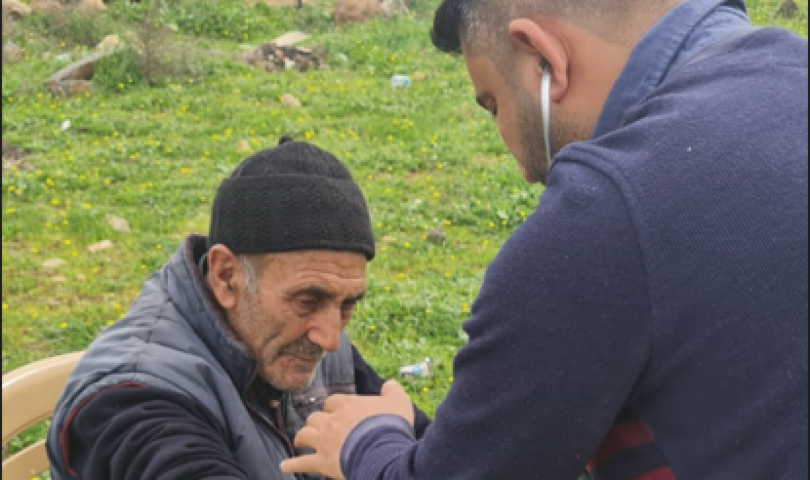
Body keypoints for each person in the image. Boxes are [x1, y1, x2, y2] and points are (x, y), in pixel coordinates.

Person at [280, 0, 809, 479]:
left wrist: (365, 444)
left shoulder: (610, 209)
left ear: (543, 59)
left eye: (493, 104)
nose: (523, 167)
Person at [45, 138, 431, 480]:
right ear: (226, 276)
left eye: (347, 304)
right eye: (307, 301)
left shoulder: (300, 337)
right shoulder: (132, 403)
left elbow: (440, 462)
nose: (330, 338)